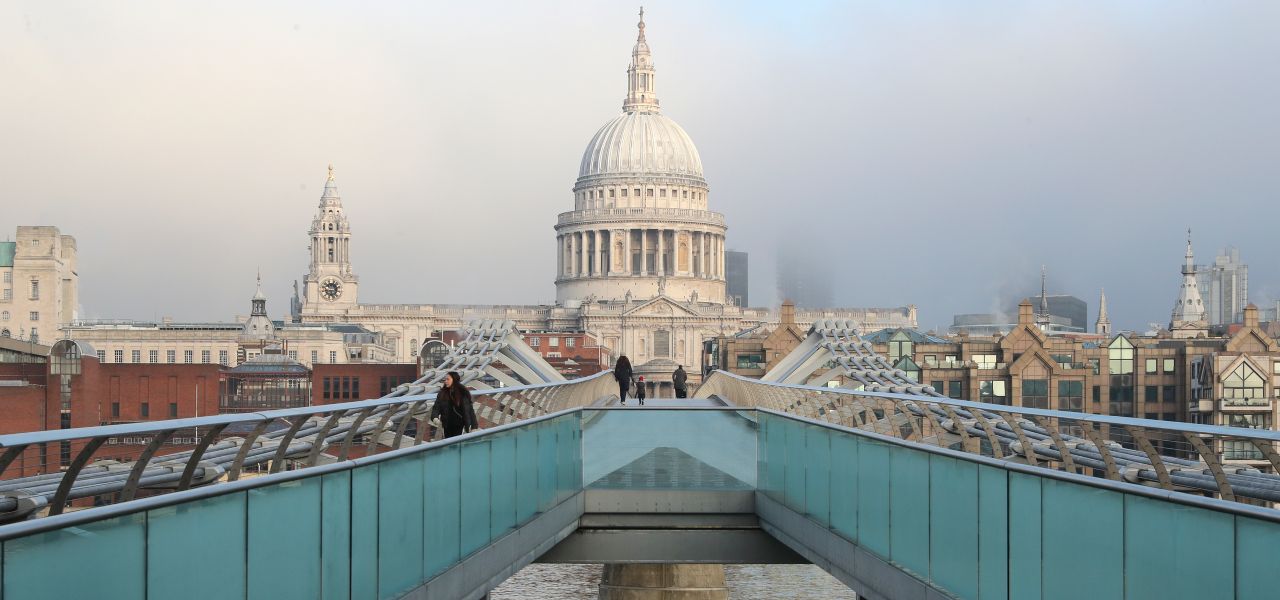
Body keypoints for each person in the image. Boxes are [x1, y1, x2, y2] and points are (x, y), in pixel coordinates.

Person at [430, 371, 478, 438]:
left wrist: (474, 426)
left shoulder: (463, 392)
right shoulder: (442, 393)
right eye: (445, 379)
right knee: (449, 443)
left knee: (457, 443)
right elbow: (436, 407)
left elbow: (469, 410)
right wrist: (435, 417)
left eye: (448, 379)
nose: (445, 381)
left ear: (454, 380)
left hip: (460, 424)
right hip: (447, 424)